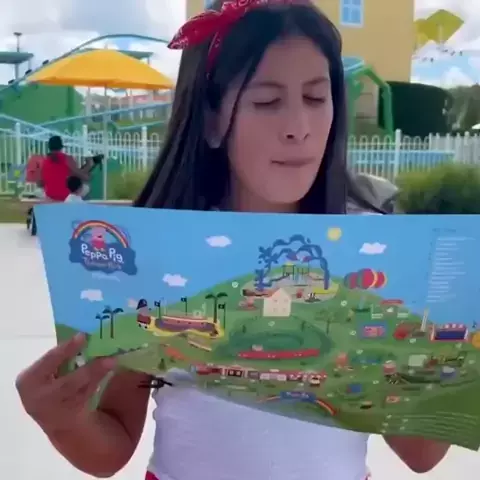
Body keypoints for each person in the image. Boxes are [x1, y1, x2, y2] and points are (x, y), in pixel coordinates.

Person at [16, 1, 450, 479]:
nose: (299, 128)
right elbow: (110, 447)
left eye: (315, 97)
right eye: (266, 101)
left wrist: (446, 361)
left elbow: (422, 453)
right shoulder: (155, 252)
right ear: (211, 118)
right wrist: (64, 421)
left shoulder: (376, 251)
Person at [41, 135, 92, 202]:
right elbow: (82, 177)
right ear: (61, 147)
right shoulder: (67, 159)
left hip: (50, 196)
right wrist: (89, 165)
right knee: (86, 187)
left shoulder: (44, 161)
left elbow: (41, 183)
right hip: (66, 197)